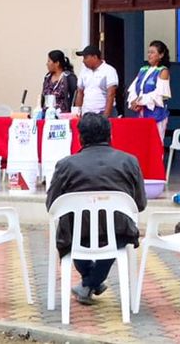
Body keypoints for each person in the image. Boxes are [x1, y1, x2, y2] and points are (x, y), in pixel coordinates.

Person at [45, 112, 147, 306]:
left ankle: (89, 283)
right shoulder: (129, 162)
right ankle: (91, 283)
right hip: (118, 233)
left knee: (73, 232)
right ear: (110, 135)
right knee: (113, 234)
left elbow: (52, 205)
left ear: (80, 138)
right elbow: (140, 204)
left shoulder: (65, 165)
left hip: (76, 236)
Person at [125, 40, 172, 141]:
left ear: (161, 55)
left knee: (155, 143)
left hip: (156, 116)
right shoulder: (143, 70)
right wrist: (133, 101)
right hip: (141, 115)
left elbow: (159, 94)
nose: (149, 55)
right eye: (148, 52)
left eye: (152, 52)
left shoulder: (163, 71)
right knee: (142, 142)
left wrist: (140, 101)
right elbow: (133, 88)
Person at [74, 44, 119, 118]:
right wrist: (77, 113)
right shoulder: (83, 72)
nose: (83, 61)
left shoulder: (109, 70)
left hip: (103, 112)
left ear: (95, 57)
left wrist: (105, 116)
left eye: (85, 58)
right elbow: (80, 93)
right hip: (87, 114)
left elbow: (111, 94)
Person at [41, 49, 77, 116]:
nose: (47, 64)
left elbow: (74, 96)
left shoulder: (69, 77)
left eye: (49, 61)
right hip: (47, 114)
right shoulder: (47, 77)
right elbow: (43, 96)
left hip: (63, 115)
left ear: (57, 63)